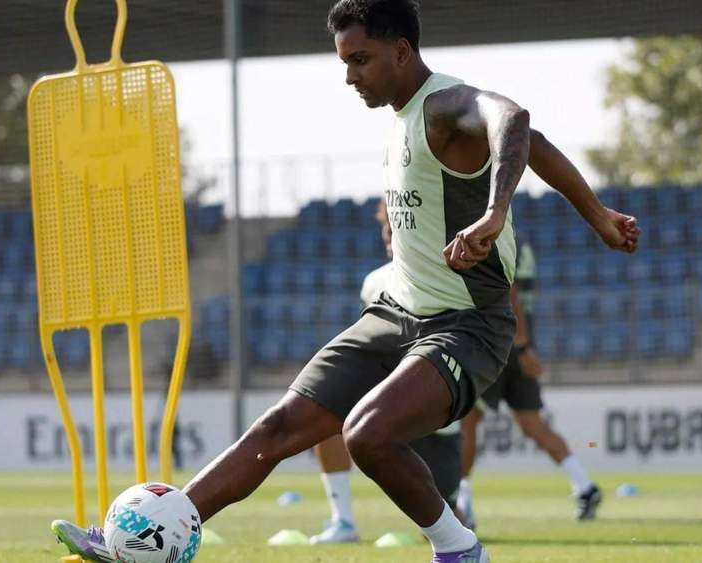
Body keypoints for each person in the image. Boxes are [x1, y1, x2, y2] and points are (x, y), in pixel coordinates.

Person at [54, 1, 639, 561]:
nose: (350, 76)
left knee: (367, 435)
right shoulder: (403, 118)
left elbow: (514, 120)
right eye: (344, 62)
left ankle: (460, 549)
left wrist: (495, 214)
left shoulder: (444, 105)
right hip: (394, 314)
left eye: (360, 60)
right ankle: (154, 535)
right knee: (279, 426)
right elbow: (531, 145)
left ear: (402, 51)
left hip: (467, 326)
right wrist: (598, 215)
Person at [311, 201, 465, 545]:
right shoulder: (374, 282)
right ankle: (343, 522)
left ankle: (461, 500)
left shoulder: (448, 277)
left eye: (394, 228)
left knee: (444, 527)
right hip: (387, 400)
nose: (388, 235)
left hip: (433, 415)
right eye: (386, 227)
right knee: (326, 409)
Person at [457, 242, 602, 529]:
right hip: (522, 343)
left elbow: (509, 295)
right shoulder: (522, 244)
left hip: (500, 343)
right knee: (532, 424)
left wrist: (520, 347)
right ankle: (585, 486)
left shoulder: (494, 238)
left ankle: (462, 502)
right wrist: (525, 346)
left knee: (468, 420)